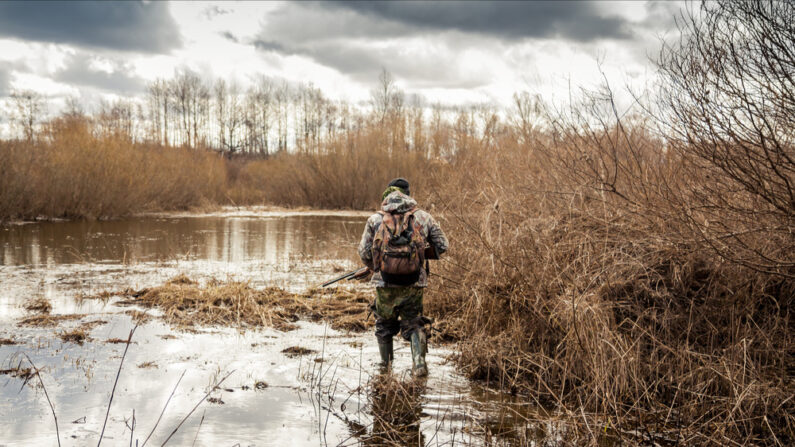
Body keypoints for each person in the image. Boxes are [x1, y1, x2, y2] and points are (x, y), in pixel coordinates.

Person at [358, 178, 448, 376]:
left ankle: (384, 368)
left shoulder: (375, 220)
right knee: (415, 323)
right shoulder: (423, 217)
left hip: (385, 283)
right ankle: (419, 365)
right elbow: (443, 246)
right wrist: (421, 254)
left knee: (384, 325)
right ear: (408, 194)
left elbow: (364, 252)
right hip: (414, 282)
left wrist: (374, 266)